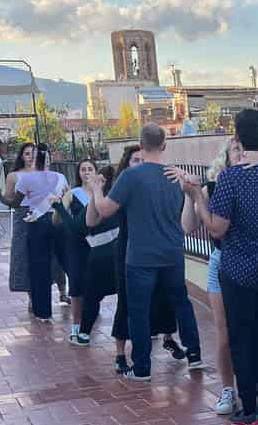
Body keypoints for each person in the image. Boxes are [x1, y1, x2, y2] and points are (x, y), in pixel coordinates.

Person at [177, 109, 258, 425]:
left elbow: (215, 229)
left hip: (239, 270)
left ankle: (250, 410)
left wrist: (197, 195)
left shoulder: (230, 178)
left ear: (237, 137)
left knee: (242, 338)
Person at [92, 124, 204, 381]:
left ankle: (142, 367)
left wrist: (97, 188)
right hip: (173, 253)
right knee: (181, 302)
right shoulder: (175, 176)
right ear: (164, 146)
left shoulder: (131, 177)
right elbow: (190, 200)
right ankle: (194, 353)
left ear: (141, 146)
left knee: (138, 311)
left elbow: (105, 210)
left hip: (141, 257)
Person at [52, 165, 124, 349]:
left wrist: (57, 205)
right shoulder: (119, 198)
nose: (87, 174)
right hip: (121, 249)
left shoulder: (99, 202)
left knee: (92, 295)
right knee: (125, 293)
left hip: (102, 253)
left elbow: (76, 227)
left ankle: (83, 334)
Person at [0, 143, 68, 308]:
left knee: (56, 252)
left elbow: (63, 193)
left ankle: (63, 291)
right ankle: (32, 298)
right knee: (26, 256)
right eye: (27, 154)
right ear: (21, 156)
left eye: (34, 153)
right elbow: (11, 200)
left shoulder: (49, 173)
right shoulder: (14, 176)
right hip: (24, 217)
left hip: (49, 214)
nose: (31, 157)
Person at [13, 144, 69, 322]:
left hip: (37, 223)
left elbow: (15, 202)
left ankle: (43, 312)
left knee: (39, 268)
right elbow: (67, 199)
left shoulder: (26, 180)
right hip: (58, 221)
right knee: (67, 262)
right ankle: (80, 300)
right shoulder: (60, 177)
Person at [53, 159, 94, 343]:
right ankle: (76, 326)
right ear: (79, 173)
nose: (86, 172)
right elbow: (56, 220)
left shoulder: (102, 193)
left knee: (94, 284)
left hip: (98, 244)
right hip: (77, 244)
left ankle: (88, 322)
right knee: (77, 286)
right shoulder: (72, 194)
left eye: (90, 169)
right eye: (83, 169)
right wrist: (59, 205)